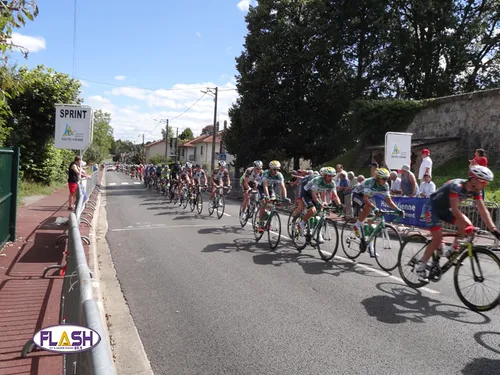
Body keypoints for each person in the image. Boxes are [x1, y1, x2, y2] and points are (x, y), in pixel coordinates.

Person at [415, 165, 500, 282]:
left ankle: (452, 249)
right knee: (438, 237)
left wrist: (494, 230)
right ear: (474, 179)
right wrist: (469, 225)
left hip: (445, 209)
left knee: (465, 225)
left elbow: (483, 210)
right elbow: (455, 210)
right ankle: (421, 266)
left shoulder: (475, 191)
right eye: (484, 183)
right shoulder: (457, 186)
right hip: (432, 208)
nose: (485, 185)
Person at [353, 168, 405, 257]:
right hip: (357, 195)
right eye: (383, 179)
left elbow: (389, 201)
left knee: (372, 226)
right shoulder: (370, 182)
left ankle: (371, 248)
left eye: (387, 179)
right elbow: (365, 199)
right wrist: (374, 208)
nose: (385, 181)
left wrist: (398, 210)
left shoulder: (385, 186)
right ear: (378, 178)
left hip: (368, 197)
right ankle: (357, 225)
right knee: (369, 208)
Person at [296, 167, 342, 240]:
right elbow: (313, 195)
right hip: (306, 193)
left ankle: (314, 230)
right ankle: (301, 224)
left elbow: (335, 196)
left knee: (320, 213)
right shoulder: (318, 180)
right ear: (324, 176)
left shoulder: (332, 183)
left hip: (316, 194)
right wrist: (319, 203)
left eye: (332, 176)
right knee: (313, 210)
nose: (331, 178)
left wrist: (339, 205)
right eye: (329, 176)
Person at [256, 160, 290, 233]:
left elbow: (283, 187)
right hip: (261, 188)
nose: (276, 171)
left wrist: (285, 197)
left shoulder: (279, 175)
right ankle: (260, 223)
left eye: (278, 169)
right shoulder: (266, 173)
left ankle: (268, 222)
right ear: (270, 169)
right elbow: (264, 186)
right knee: (264, 203)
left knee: (272, 204)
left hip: (270, 188)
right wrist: (267, 197)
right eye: (274, 169)